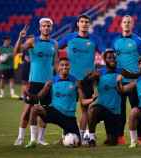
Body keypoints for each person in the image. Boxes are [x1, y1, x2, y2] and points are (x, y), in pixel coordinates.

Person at [58, 14, 104, 144]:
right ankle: (65, 136)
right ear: (78, 24)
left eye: (86, 22)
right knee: (67, 109)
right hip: (70, 79)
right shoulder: (69, 38)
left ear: (89, 24)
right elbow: (55, 48)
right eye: (82, 21)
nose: (84, 24)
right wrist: (58, 66)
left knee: (86, 110)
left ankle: (82, 137)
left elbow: (106, 54)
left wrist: (98, 71)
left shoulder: (95, 39)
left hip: (86, 80)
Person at [13, 18, 57, 146]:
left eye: (48, 26)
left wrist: (56, 78)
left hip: (48, 82)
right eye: (44, 26)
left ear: (51, 28)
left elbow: (56, 62)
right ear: (40, 28)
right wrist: (20, 38)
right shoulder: (32, 41)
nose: (46, 28)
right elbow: (16, 52)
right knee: (27, 110)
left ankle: (40, 139)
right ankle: (20, 138)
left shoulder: (54, 43)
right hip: (34, 82)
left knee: (44, 111)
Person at [25, 57, 82, 148]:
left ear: (69, 66)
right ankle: (33, 140)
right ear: (58, 67)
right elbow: (39, 97)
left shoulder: (76, 82)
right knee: (35, 109)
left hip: (69, 117)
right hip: (55, 111)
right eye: (62, 65)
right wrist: (30, 97)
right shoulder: (51, 82)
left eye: (66, 65)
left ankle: (63, 139)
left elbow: (82, 100)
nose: (64, 67)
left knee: (78, 143)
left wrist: (92, 99)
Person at [112, 15, 141, 144]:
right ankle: (120, 136)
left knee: (137, 110)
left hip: (135, 82)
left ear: (132, 25)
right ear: (121, 24)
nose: (126, 24)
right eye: (124, 22)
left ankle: (139, 138)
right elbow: (112, 60)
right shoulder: (115, 41)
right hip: (120, 82)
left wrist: (140, 77)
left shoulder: (138, 41)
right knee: (120, 111)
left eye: (129, 22)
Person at [86, 49, 133, 147]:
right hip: (102, 108)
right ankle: (91, 138)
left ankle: (109, 136)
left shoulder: (122, 71)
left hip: (114, 113)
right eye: (109, 57)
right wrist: (92, 85)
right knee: (92, 110)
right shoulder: (99, 73)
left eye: (114, 57)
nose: (112, 59)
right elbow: (85, 81)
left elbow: (136, 76)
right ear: (104, 60)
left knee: (112, 142)